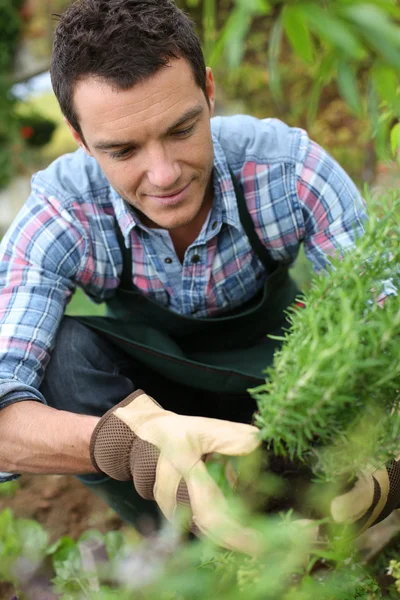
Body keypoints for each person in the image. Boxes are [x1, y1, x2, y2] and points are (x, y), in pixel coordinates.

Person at [0, 0, 393, 553]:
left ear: (208, 91)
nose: (163, 175)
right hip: (151, 409)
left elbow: (385, 321)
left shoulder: (288, 171)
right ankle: (187, 553)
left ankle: (313, 514)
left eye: (181, 129)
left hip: (289, 388)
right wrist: (140, 447)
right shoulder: (62, 214)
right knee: (64, 357)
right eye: (123, 150)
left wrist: (389, 463)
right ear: (81, 138)